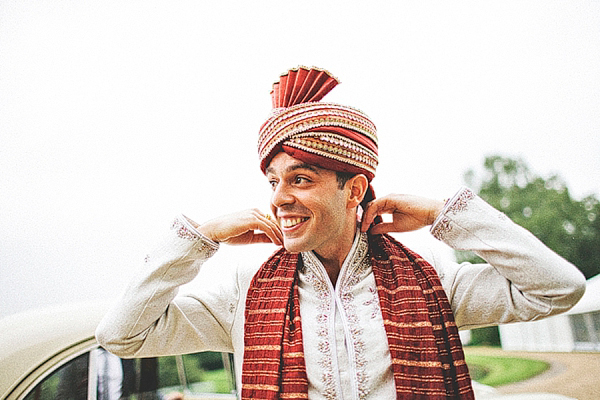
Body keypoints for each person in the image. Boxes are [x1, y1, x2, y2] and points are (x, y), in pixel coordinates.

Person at [96, 66, 586, 400]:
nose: (278, 198)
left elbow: (559, 288)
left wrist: (445, 214)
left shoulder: (433, 277)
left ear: (354, 190)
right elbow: (122, 335)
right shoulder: (244, 293)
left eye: (300, 179)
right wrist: (200, 238)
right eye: (273, 181)